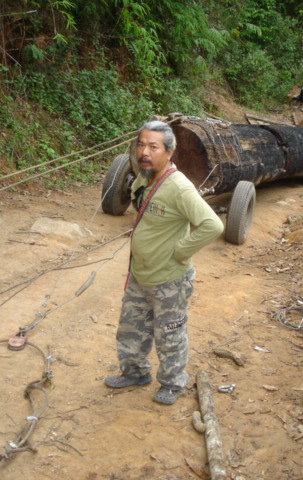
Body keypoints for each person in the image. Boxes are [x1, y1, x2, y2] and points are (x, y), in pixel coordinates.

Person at [104, 120, 224, 405]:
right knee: (131, 329)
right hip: (140, 274)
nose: (144, 152)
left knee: (170, 335)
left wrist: (181, 252)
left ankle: (172, 383)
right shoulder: (143, 178)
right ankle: (135, 372)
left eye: (153, 147)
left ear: (169, 152)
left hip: (169, 280)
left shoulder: (179, 187)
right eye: (141, 145)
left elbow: (212, 225)